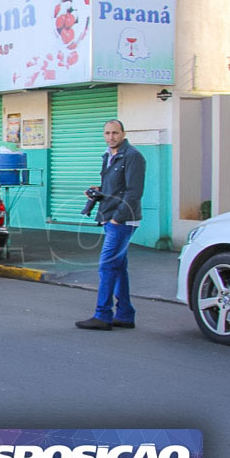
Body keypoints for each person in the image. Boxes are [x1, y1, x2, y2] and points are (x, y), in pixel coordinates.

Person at [76, 119, 146, 331]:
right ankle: (125, 314)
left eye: (115, 133)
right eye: (107, 133)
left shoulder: (133, 156)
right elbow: (115, 186)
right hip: (111, 217)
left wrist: (117, 218)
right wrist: (97, 189)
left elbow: (134, 192)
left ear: (123, 133)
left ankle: (103, 315)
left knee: (107, 266)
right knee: (118, 267)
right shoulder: (108, 156)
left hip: (122, 220)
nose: (110, 137)